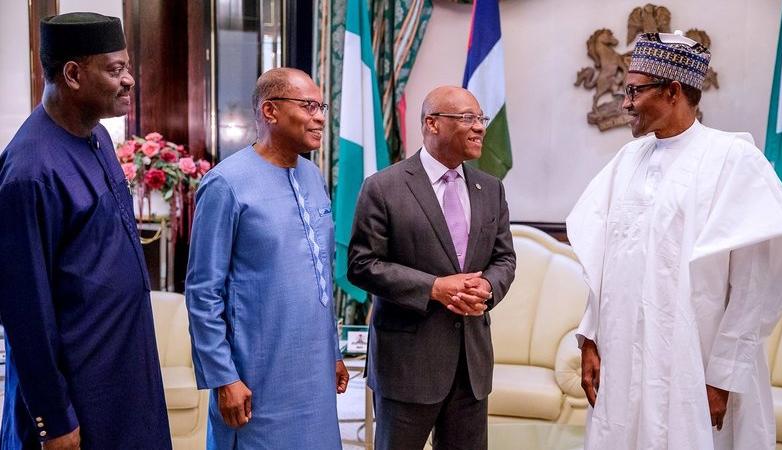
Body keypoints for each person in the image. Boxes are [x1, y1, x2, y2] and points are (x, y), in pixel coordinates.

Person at [567, 31, 782, 450]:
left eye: (634, 91)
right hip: (622, 360)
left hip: (694, 367)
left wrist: (723, 377)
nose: (625, 103)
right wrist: (590, 339)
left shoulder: (732, 159)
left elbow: (752, 285)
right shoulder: (626, 161)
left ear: (673, 91)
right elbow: (603, 260)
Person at [0, 12, 172, 450]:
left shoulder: (98, 137)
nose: (129, 80)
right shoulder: (29, 172)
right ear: (73, 75)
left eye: (127, 67)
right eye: (115, 70)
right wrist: (54, 420)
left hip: (125, 377)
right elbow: (25, 313)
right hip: (78, 399)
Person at [185, 67, 348, 449]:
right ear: (270, 111)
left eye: (321, 106)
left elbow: (319, 280)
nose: (320, 117)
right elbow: (203, 293)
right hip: (256, 378)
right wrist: (224, 377)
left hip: (314, 378)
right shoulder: (225, 184)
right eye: (308, 106)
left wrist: (333, 352)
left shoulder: (313, 176)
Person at [348, 86, 516, 450]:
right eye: (468, 118)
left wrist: (488, 288)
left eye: (481, 118)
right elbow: (362, 265)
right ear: (432, 123)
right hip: (406, 367)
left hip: (471, 367)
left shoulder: (491, 189)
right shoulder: (383, 187)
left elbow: (504, 259)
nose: (480, 127)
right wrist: (433, 288)